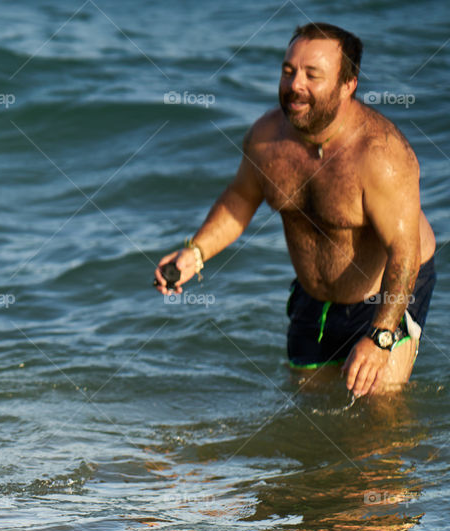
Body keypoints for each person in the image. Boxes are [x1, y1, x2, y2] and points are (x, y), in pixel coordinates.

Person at [154, 22, 436, 397]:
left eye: (312, 75)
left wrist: (382, 337)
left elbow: (405, 251)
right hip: (313, 297)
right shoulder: (266, 139)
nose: (294, 85)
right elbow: (240, 197)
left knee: (378, 416)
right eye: (288, 71)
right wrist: (196, 252)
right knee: (310, 413)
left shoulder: (380, 156)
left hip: (385, 295)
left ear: (347, 85)